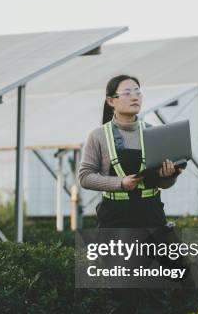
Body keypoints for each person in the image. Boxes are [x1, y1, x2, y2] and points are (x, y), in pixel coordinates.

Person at [78, 74, 184, 228]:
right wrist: (120, 183)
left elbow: (163, 184)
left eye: (138, 92)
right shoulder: (98, 135)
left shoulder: (153, 132)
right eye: (127, 93)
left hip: (151, 214)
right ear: (111, 101)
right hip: (114, 217)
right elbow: (85, 177)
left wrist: (168, 176)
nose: (135, 98)